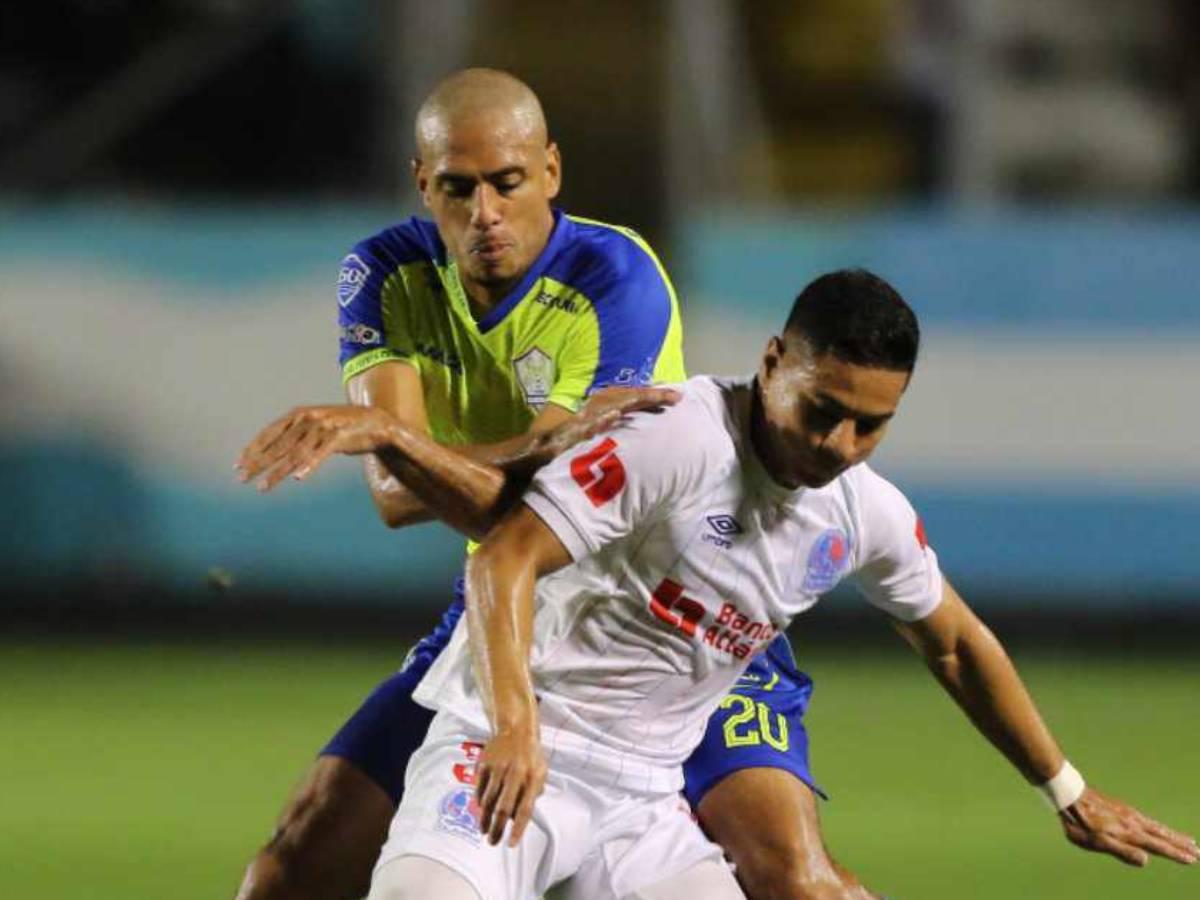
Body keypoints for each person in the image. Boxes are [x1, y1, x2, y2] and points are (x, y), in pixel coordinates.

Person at [239, 269, 1198, 900]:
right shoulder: (677, 440)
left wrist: (1066, 789)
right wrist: (518, 729)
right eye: (823, 410)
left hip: (644, 803)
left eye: (870, 426)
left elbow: (954, 641)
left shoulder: (860, 510)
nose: (838, 446)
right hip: (500, 759)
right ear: (773, 361)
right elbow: (502, 557)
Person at [235, 67, 863, 900]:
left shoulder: (616, 278)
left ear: (553, 172)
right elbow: (397, 496)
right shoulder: (384, 275)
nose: (485, 214)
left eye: (508, 183)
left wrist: (408, 440)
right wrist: (526, 439)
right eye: (457, 189)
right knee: (297, 858)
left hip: (675, 620)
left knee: (793, 879)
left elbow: (560, 501)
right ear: (422, 183)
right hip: (517, 602)